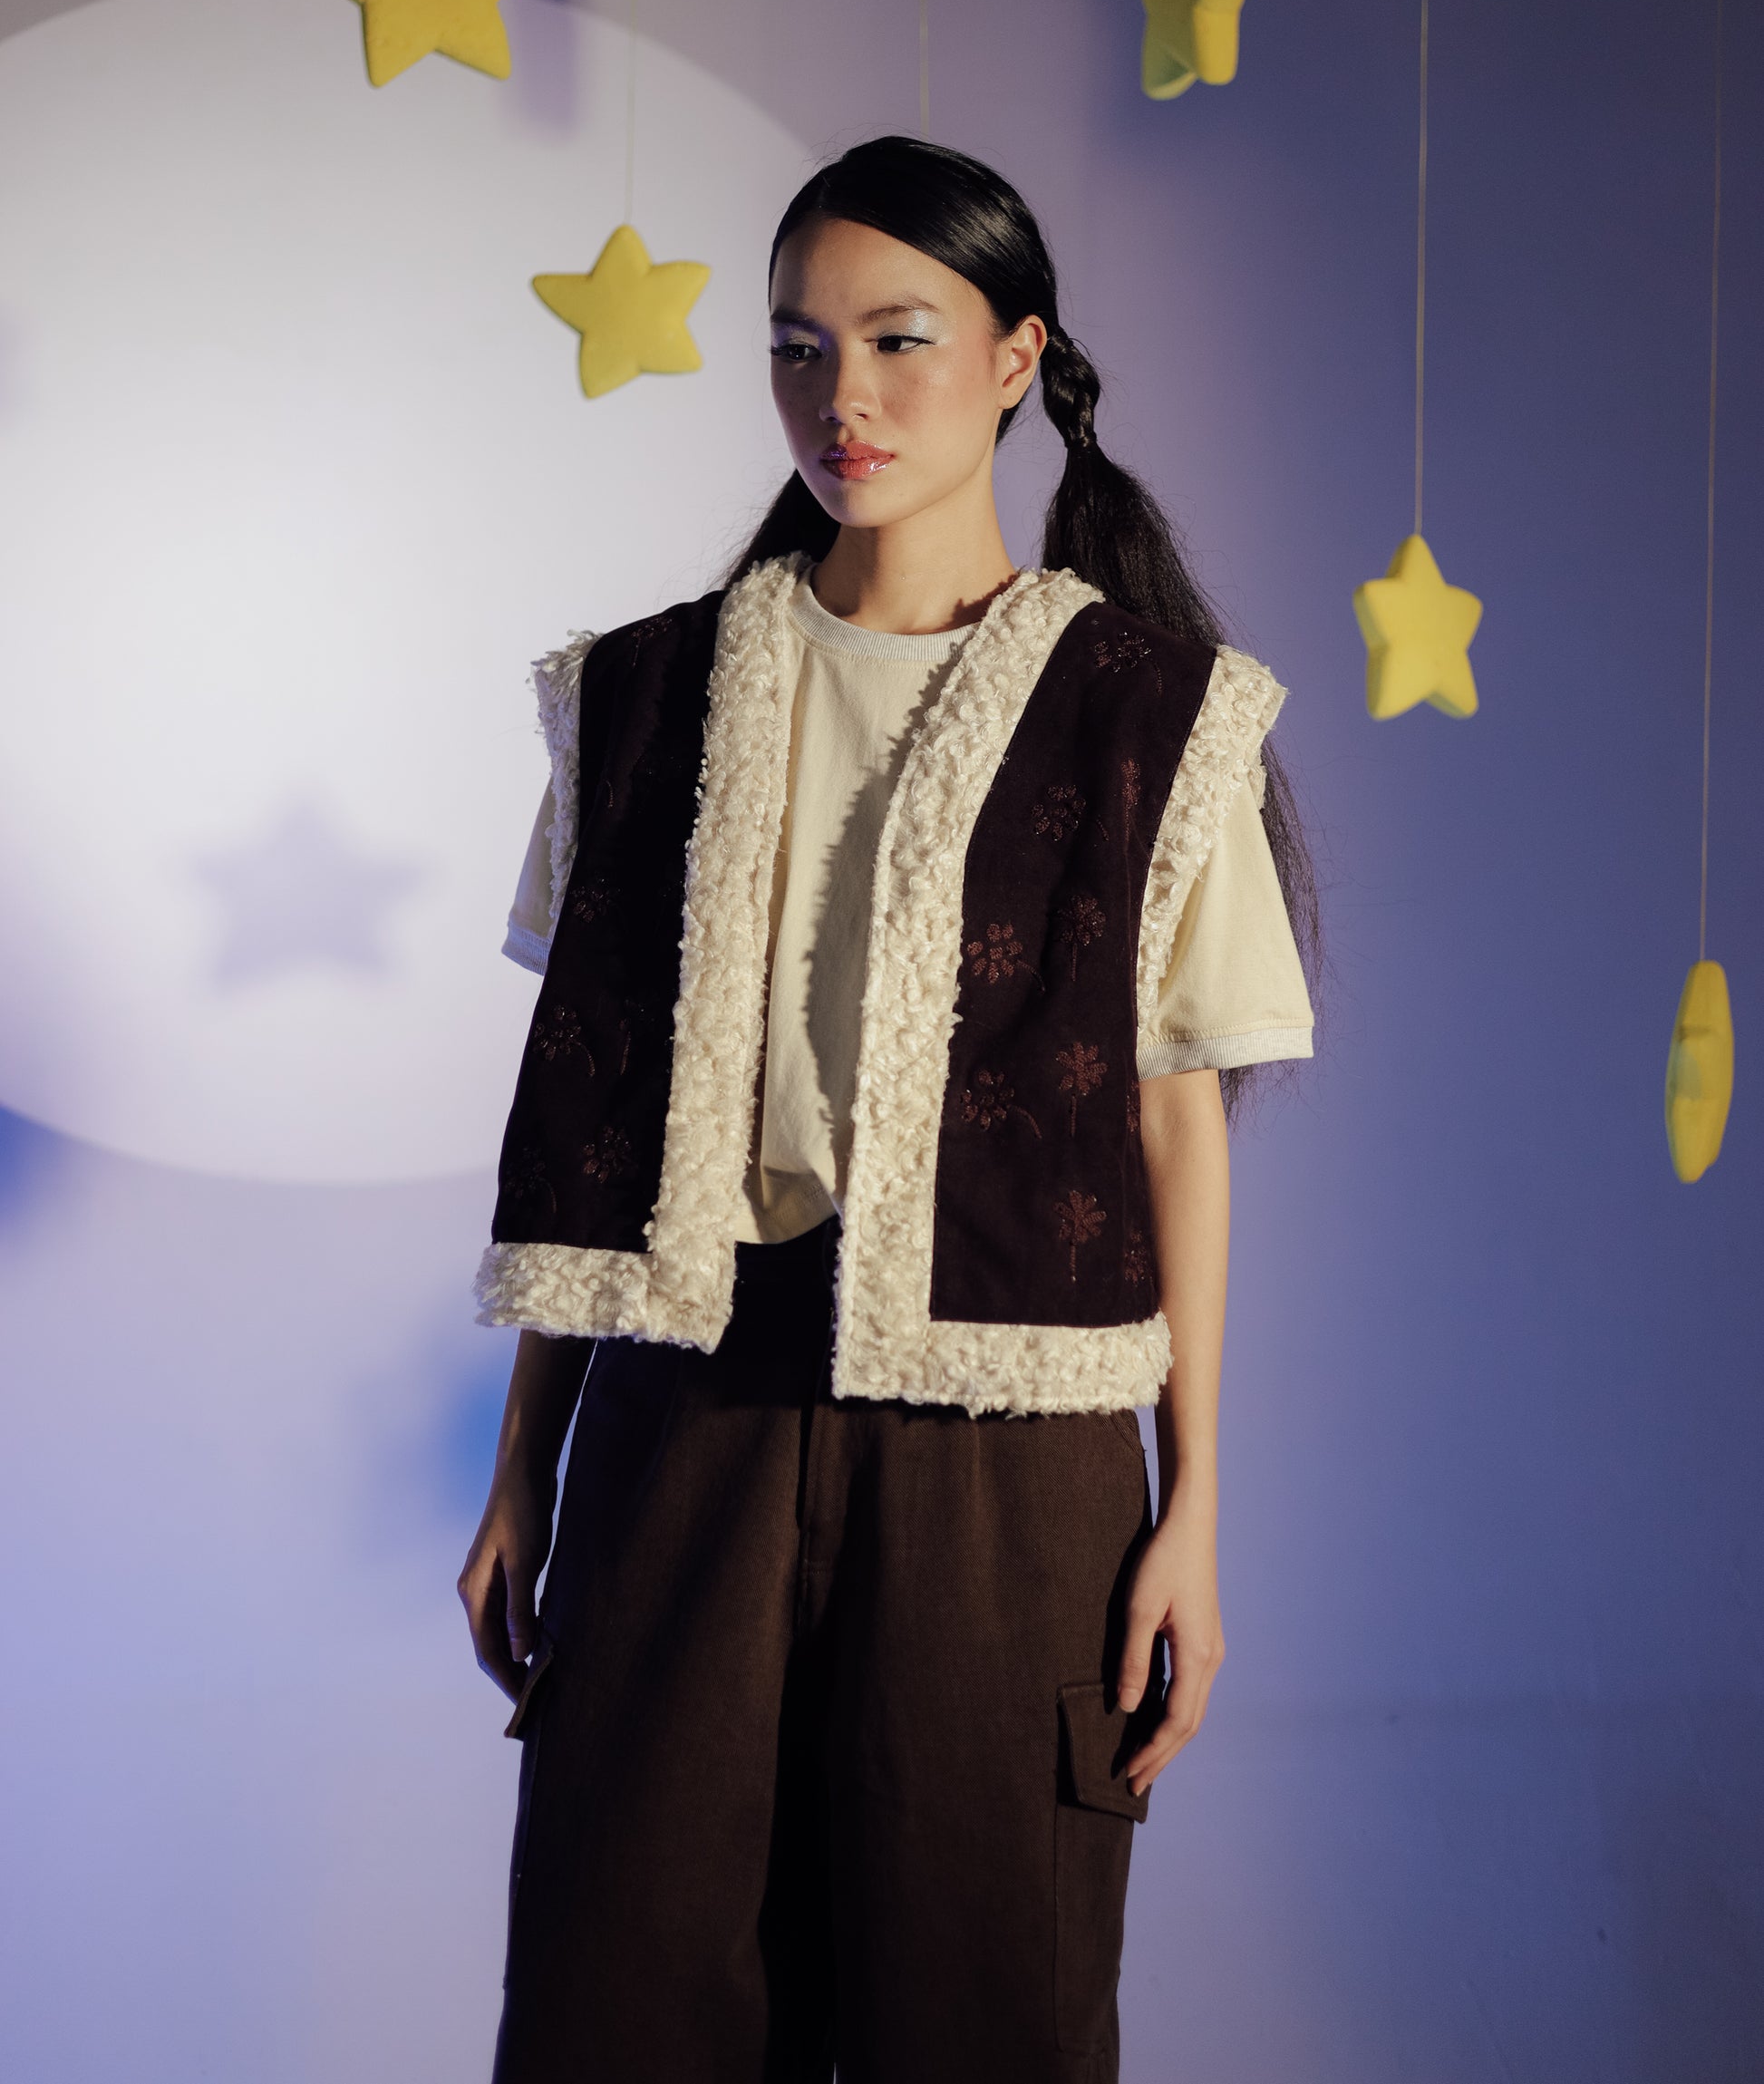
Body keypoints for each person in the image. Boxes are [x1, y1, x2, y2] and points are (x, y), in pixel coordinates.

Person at [458, 135, 1317, 2084]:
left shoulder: (1153, 716)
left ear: (1017, 357)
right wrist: (527, 1462)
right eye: (798, 347)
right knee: (619, 1997)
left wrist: (1193, 1504)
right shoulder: (642, 700)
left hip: (1009, 1459)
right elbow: (589, 1118)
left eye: (897, 339)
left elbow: (1179, 1125)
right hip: (685, 1418)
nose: (840, 396)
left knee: (981, 2001)